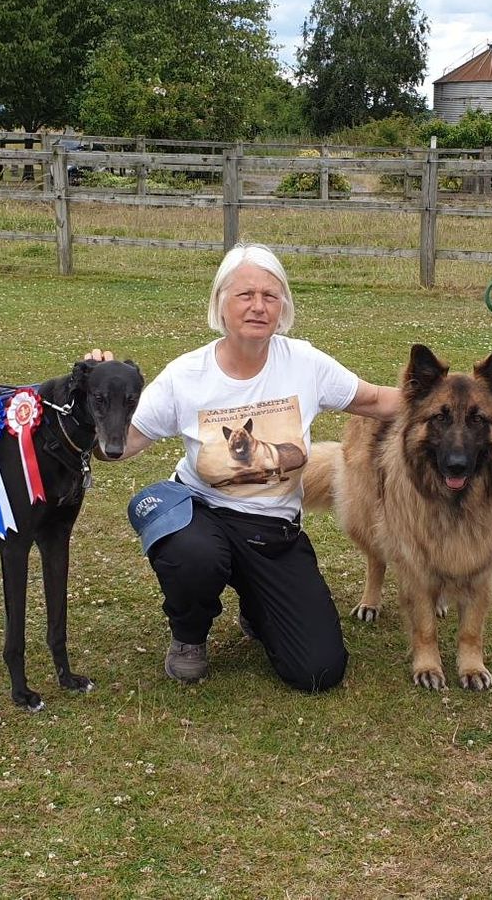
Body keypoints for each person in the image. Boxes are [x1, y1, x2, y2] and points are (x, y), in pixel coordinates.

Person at [92, 244, 400, 693]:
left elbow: (374, 400)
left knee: (318, 671)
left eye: (270, 296)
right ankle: (189, 636)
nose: (258, 306)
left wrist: (457, 395)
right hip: (202, 514)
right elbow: (117, 449)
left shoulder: (305, 364)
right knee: (193, 555)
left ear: (283, 307)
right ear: (221, 303)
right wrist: (97, 401)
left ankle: (259, 605)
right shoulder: (186, 374)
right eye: (245, 294)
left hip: (273, 531)